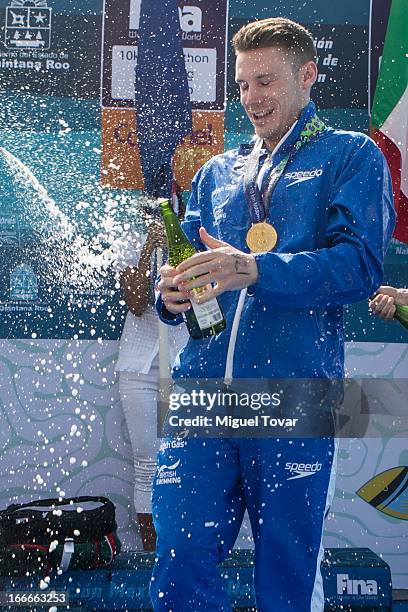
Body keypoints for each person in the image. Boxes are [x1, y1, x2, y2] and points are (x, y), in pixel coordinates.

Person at [151, 17, 395, 611]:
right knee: (179, 562)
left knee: (285, 577)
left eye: (266, 82)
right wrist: (171, 297)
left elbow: (360, 266)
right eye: (242, 86)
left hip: (294, 396)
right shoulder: (217, 172)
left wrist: (258, 270)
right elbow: (184, 277)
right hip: (203, 398)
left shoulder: (350, 155)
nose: (252, 100)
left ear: (307, 76)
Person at [115, 219, 187, 551]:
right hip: (139, 368)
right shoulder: (129, 239)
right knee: (147, 464)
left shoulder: (193, 234)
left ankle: (183, 554)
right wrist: (148, 247)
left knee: (186, 460)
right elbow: (135, 301)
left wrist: (175, 244)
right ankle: (151, 557)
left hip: (186, 365)